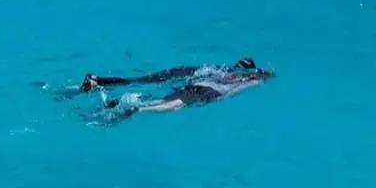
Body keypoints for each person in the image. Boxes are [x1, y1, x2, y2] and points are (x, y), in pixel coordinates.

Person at [95, 64, 275, 121]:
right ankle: (138, 109)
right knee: (174, 106)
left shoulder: (222, 71)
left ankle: (134, 105)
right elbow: (234, 90)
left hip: (195, 86)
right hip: (209, 92)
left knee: (164, 100)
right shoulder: (250, 81)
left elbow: (200, 73)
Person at [79, 57, 258, 94]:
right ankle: (97, 82)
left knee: (136, 80)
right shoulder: (225, 74)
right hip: (177, 76)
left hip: (176, 70)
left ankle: (98, 80)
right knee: (137, 83)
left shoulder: (219, 67)